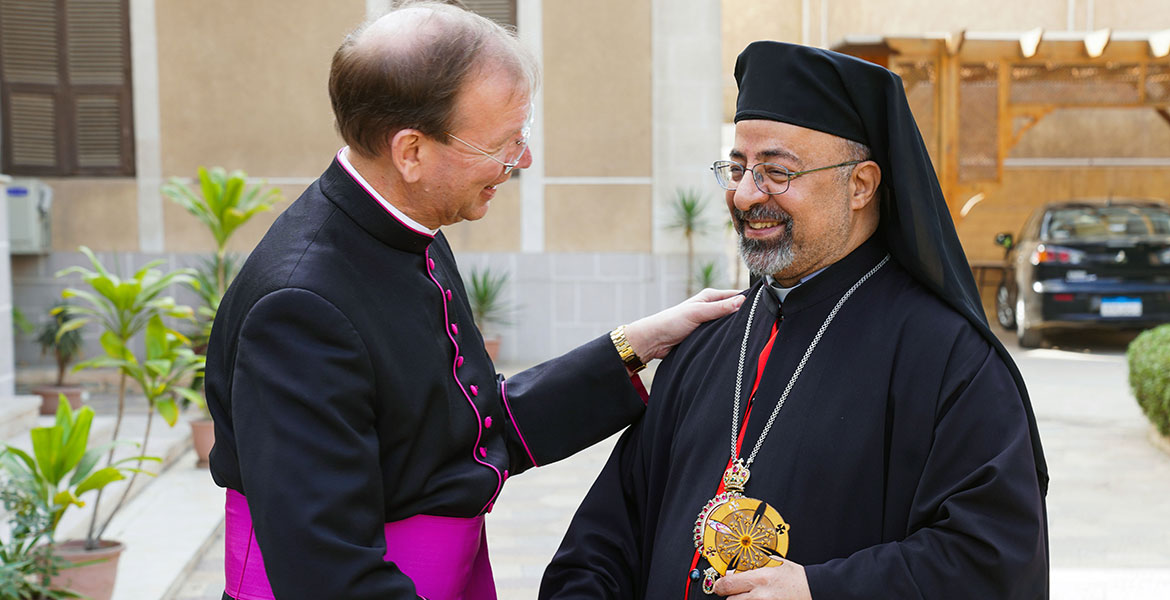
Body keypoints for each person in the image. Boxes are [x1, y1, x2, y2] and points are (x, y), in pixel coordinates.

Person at [202, 3, 745, 599]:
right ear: (410, 151)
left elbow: (460, 427)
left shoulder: (407, 228)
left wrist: (638, 345)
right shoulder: (300, 306)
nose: (523, 161)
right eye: (504, 143)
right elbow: (328, 572)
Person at [540, 41, 1049, 599]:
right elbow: (608, 537)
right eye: (736, 169)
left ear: (860, 185)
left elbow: (993, 561)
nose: (743, 194)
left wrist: (822, 591)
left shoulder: (949, 357)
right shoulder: (707, 341)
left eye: (776, 173)